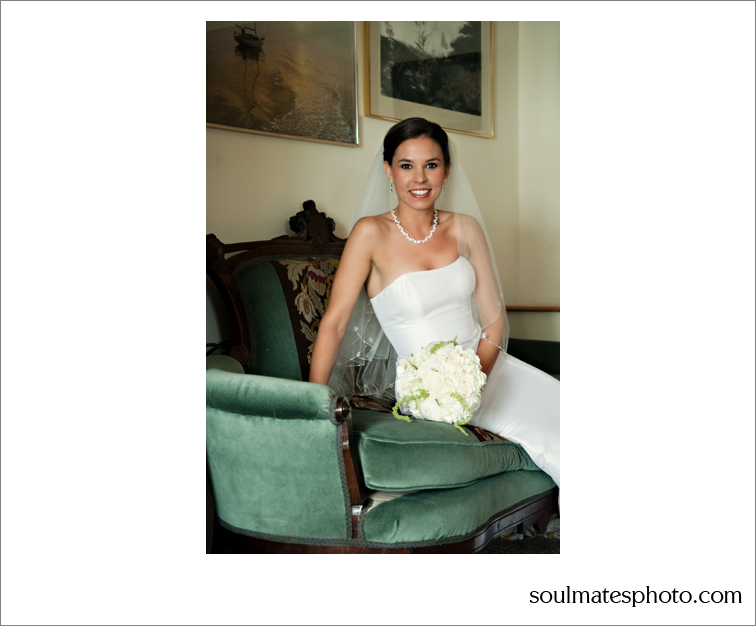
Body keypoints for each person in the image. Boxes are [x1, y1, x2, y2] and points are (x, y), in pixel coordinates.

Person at [309, 117, 560, 497]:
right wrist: (311, 406)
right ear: (388, 171)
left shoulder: (465, 227)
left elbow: (494, 322)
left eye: (431, 164)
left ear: (446, 170)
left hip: (490, 372)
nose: (420, 178)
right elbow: (335, 323)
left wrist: (473, 383)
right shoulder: (369, 233)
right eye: (406, 165)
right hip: (429, 392)